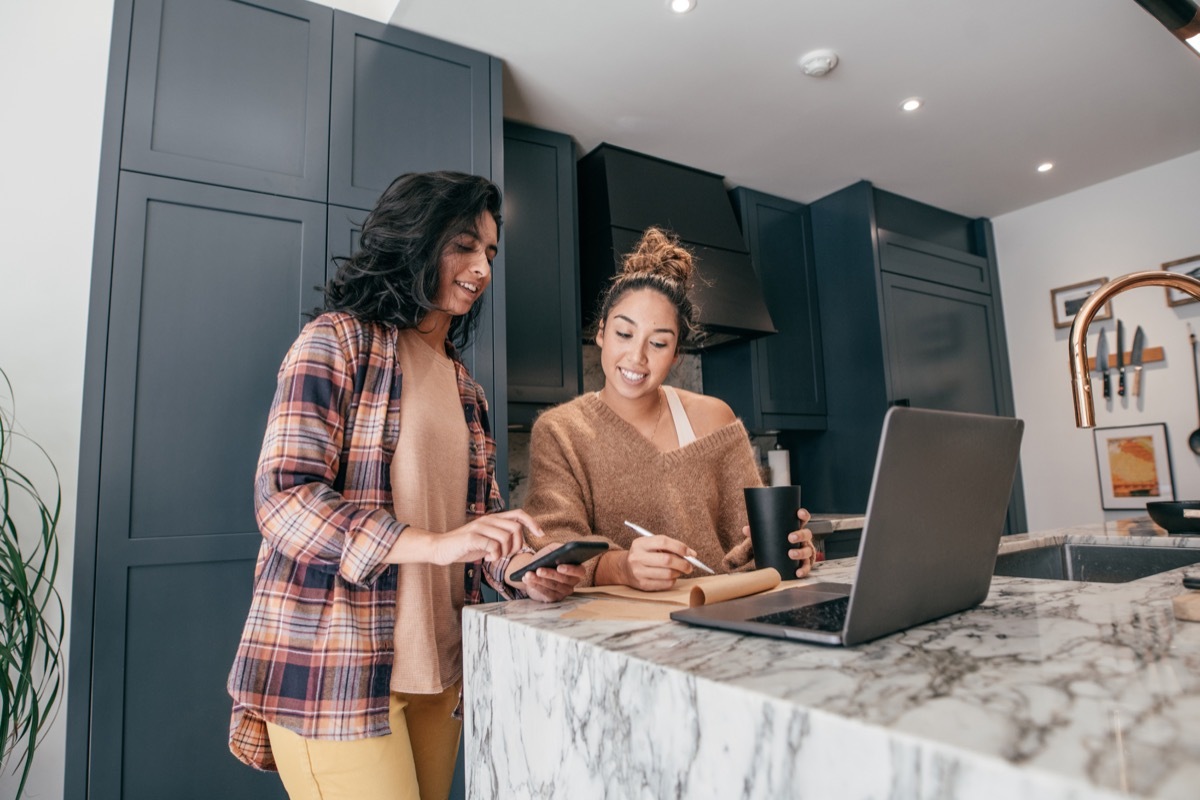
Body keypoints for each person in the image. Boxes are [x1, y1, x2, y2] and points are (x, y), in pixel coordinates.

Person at [226, 171, 584, 800]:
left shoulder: (464, 387)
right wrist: (437, 543)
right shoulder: (337, 341)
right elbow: (284, 499)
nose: (482, 268)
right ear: (416, 240)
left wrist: (525, 570)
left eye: (491, 253)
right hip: (336, 674)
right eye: (464, 245)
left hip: (439, 672)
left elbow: (479, 528)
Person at [520, 227, 817, 591]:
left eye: (658, 343)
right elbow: (554, 543)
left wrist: (791, 551)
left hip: (720, 619)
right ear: (600, 333)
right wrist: (622, 567)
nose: (637, 357)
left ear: (676, 356)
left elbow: (751, 544)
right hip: (615, 634)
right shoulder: (560, 431)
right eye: (624, 334)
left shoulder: (715, 420)